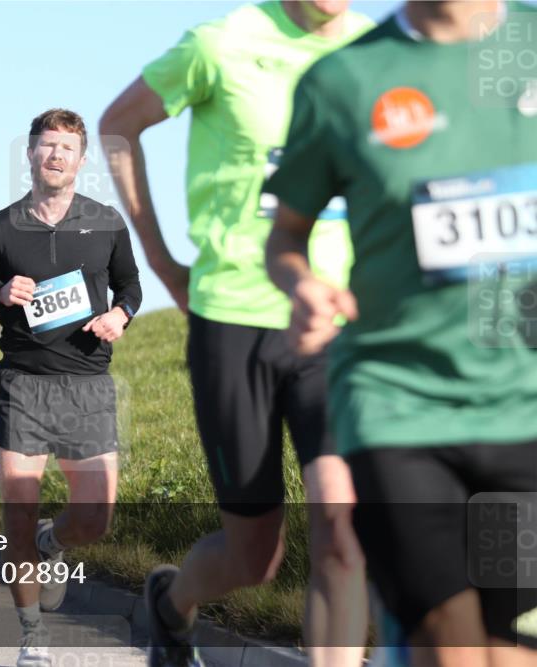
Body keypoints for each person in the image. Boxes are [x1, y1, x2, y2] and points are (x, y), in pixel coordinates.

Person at [100, 2, 373, 665]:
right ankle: (171, 604)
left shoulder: (380, 52)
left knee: (343, 529)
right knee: (255, 553)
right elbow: (118, 126)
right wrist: (162, 263)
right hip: (233, 319)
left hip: (336, 323)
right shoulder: (220, 44)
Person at [264, 2, 537, 666]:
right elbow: (286, 235)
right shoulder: (345, 81)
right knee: (450, 645)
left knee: (510, 651)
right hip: (398, 403)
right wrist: (302, 284)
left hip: (524, 407)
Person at [0, 108, 142, 667]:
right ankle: (32, 636)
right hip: (23, 383)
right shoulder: (0, 228)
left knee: (97, 514)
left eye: (66, 148)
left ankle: (54, 546)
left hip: (86, 383)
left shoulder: (104, 221)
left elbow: (130, 285)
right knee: (18, 510)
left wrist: (121, 316)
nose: (55, 155)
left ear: (81, 161)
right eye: (45, 145)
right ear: (30, 154)